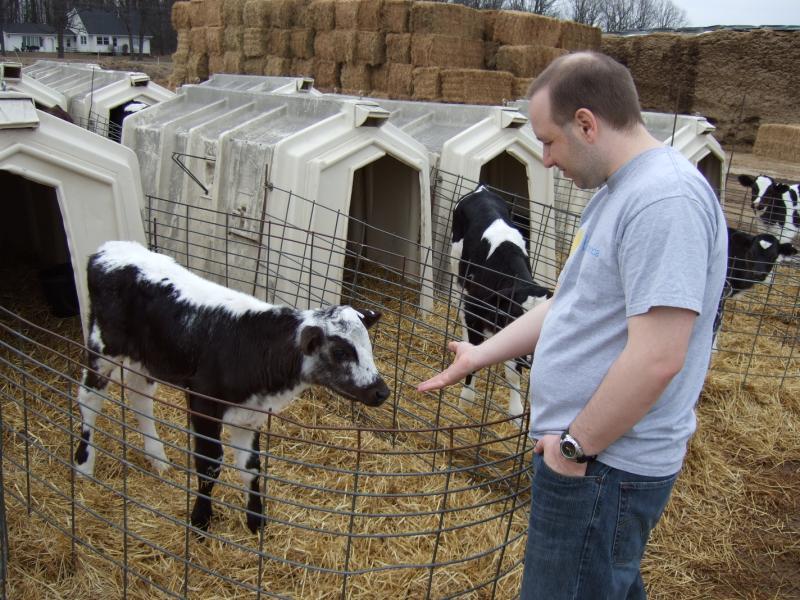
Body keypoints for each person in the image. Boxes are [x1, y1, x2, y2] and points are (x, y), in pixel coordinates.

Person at [417, 51, 728, 599]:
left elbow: (658, 357)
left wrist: (574, 448)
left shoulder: (664, 202)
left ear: (586, 123)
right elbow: (567, 304)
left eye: (549, 141)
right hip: (592, 462)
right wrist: (479, 354)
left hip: (604, 467)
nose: (544, 160)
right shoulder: (617, 193)